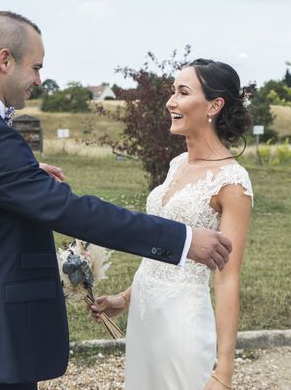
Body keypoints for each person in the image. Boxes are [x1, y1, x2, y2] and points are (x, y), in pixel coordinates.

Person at [0, 12, 233, 390]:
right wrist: (183, 240)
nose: (38, 79)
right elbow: (75, 213)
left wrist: (24, 173)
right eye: (35, 67)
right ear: (4, 60)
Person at [89, 59, 253, 389]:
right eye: (171, 91)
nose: (170, 102)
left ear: (214, 105)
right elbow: (165, 249)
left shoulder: (232, 182)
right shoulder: (177, 165)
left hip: (182, 324)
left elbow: (227, 278)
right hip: (145, 318)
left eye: (182, 92)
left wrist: (224, 373)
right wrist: (126, 298)